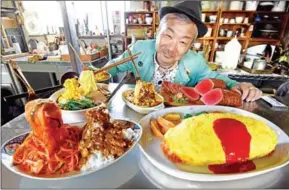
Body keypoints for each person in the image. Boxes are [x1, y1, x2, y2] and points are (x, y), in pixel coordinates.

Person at [107, 1, 262, 102]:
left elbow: (216, 78)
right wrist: (94, 74)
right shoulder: (139, 49)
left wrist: (238, 85)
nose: (172, 48)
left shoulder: (195, 62)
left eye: (183, 42)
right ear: (157, 32)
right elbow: (115, 65)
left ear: (190, 46)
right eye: (168, 35)